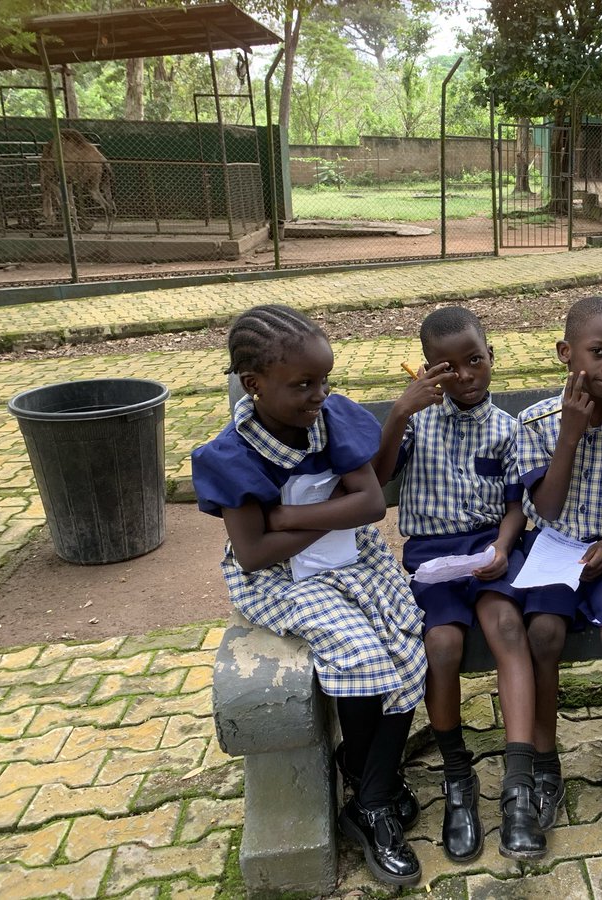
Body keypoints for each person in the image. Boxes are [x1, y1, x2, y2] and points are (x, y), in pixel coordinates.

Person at [191, 304, 426, 888]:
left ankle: (365, 780)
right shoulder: (232, 456)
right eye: (302, 384)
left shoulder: (334, 418)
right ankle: (372, 803)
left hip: (355, 557)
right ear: (254, 385)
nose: (319, 393)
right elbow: (254, 553)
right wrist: (323, 518)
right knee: (361, 656)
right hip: (281, 581)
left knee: (406, 649)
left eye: (324, 379)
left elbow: (370, 504)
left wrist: (288, 514)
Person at [372, 306, 545, 862]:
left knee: (507, 627)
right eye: (449, 368)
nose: (466, 375)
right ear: (428, 372)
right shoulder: (417, 422)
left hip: (491, 550)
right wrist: (399, 413)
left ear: (492, 358)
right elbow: (376, 482)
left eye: (475, 361)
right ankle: (457, 778)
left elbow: (517, 506)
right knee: (441, 645)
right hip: (431, 555)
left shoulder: (508, 429)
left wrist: (503, 544)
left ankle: (518, 786)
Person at [515, 296, 602, 846]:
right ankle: (545, 763)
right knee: (543, 634)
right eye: (599, 352)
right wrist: (570, 434)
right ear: (568, 354)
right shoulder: (536, 423)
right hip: (551, 546)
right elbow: (544, 508)